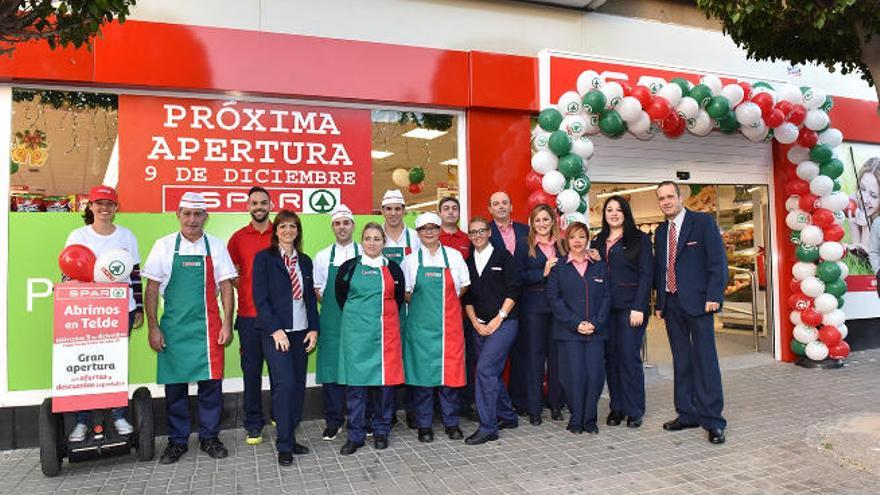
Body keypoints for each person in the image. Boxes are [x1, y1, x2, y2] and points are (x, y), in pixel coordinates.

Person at [143, 192, 237, 464]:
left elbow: (226, 286)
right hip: (173, 328)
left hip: (208, 328)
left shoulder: (216, 246)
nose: (192, 220)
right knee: (175, 389)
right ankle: (177, 441)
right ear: (178, 216)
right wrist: (153, 327)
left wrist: (227, 323)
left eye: (198, 215)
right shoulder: (163, 246)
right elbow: (151, 289)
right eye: (187, 214)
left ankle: (209, 436)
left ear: (206, 217)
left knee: (211, 387)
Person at [64, 185, 143, 442]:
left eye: (109, 204)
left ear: (116, 207)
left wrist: (139, 307)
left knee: (115, 363)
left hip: (121, 309)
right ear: (90, 206)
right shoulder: (78, 235)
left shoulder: (127, 236)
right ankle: (82, 422)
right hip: (87, 311)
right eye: (99, 203)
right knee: (86, 364)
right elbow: (67, 272)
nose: (104, 208)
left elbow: (134, 274)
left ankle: (118, 415)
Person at [653, 181, 728, 445]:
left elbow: (718, 262)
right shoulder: (661, 232)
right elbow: (660, 269)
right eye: (661, 198)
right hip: (672, 305)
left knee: (705, 361)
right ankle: (686, 413)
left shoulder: (703, 223)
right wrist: (660, 303)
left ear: (680, 197)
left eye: (670, 196)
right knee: (681, 361)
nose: (666, 202)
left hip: (699, 304)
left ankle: (713, 421)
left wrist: (713, 296)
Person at [252, 210, 320, 466]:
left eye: (293, 226)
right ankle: (283, 445)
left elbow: (310, 299)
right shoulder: (264, 259)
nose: (288, 231)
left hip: (301, 332)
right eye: (283, 226)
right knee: (285, 385)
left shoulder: (304, 261)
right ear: (275, 231)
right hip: (276, 333)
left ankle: (290, 437)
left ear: (298, 231)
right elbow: (261, 298)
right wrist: (276, 329)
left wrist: (314, 329)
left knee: (298, 387)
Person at [335, 222, 406, 455]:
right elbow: (341, 296)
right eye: (368, 238)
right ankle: (355, 435)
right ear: (361, 241)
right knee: (356, 388)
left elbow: (398, 295)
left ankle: (381, 430)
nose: (372, 243)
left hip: (386, 335)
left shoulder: (394, 269)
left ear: (383, 242)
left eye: (377, 238)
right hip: (356, 337)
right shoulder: (348, 267)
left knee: (385, 386)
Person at [402, 212, 470, 442]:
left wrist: (444, 305)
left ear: (440, 229)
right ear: (418, 233)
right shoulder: (410, 261)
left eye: (433, 227)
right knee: (423, 380)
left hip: (449, 327)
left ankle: (452, 423)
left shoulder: (454, 256)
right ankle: (424, 425)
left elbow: (462, 287)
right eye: (424, 229)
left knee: (449, 379)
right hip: (421, 330)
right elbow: (407, 294)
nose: (429, 232)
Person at [594, 195, 653, 429]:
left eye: (619, 209)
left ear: (626, 213)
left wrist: (640, 306)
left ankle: (634, 409)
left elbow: (646, 274)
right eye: (609, 210)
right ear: (604, 214)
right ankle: (616, 407)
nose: (614, 213)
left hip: (631, 308)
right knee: (611, 358)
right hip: (605, 309)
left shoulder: (639, 239)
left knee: (628, 357)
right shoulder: (598, 240)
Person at [461, 216, 521, 445]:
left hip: (505, 323)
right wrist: (476, 323)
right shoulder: (467, 262)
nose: (477, 235)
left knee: (485, 371)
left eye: (481, 231)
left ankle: (488, 427)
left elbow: (515, 289)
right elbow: (467, 297)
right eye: (472, 232)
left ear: (489, 233)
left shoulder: (504, 257)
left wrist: (499, 318)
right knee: (491, 373)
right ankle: (507, 415)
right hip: (479, 324)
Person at [547, 222, 611, 435]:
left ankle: (590, 418)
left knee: (594, 374)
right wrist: (576, 323)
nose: (577, 241)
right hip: (568, 333)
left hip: (596, 331)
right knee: (572, 375)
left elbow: (607, 297)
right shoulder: (559, 268)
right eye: (573, 237)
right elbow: (554, 300)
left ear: (588, 239)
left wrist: (595, 322)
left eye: (581, 236)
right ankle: (576, 418)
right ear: (566, 241)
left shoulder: (599, 266)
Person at [511, 204, 567, 426]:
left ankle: (555, 404)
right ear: (531, 223)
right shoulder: (524, 245)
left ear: (553, 221)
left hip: (559, 309)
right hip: (533, 308)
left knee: (556, 359)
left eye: (546, 219)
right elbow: (518, 276)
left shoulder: (562, 245)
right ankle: (534, 408)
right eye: (537, 221)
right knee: (534, 358)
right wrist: (542, 272)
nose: (542, 224)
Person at [227, 186, 274, 445]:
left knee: (280, 372)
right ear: (248, 206)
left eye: (263, 202)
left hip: (278, 319)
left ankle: (279, 414)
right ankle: (254, 424)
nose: (259, 207)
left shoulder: (280, 233)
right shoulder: (237, 238)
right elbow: (229, 273)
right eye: (254, 203)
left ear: (270, 204)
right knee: (252, 372)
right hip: (248, 317)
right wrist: (247, 287)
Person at [312, 204, 359, 441]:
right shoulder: (322, 256)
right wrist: (336, 304)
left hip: (359, 323)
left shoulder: (366, 253)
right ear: (333, 227)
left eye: (346, 223)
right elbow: (319, 290)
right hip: (331, 323)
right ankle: (333, 421)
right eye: (337, 223)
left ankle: (358, 419)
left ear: (353, 225)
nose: (342, 227)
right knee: (331, 371)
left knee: (358, 371)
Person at [486, 191, 529, 413]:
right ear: (490, 209)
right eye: (496, 204)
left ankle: (520, 401)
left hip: (528, 300)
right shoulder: (484, 232)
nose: (501, 206)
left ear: (512, 206)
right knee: (496, 358)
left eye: (505, 202)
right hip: (497, 302)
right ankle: (497, 403)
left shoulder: (525, 230)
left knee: (524, 353)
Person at [438, 196, 476, 418]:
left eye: (454, 208)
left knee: (463, 359)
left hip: (461, 312)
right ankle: (438, 407)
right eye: (446, 208)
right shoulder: (432, 236)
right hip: (434, 314)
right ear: (439, 213)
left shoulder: (467, 239)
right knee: (436, 360)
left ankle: (464, 404)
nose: (451, 212)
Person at [381, 189, 421, 265]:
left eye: (397, 209)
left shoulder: (416, 237)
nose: (393, 213)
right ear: (382, 211)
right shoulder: (374, 237)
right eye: (389, 209)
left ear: (403, 211)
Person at [848, 157, 880, 249]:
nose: (864, 200)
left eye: (873, 195)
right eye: (862, 189)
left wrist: (866, 227)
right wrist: (853, 225)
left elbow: (866, 259)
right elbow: (857, 255)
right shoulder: (854, 202)